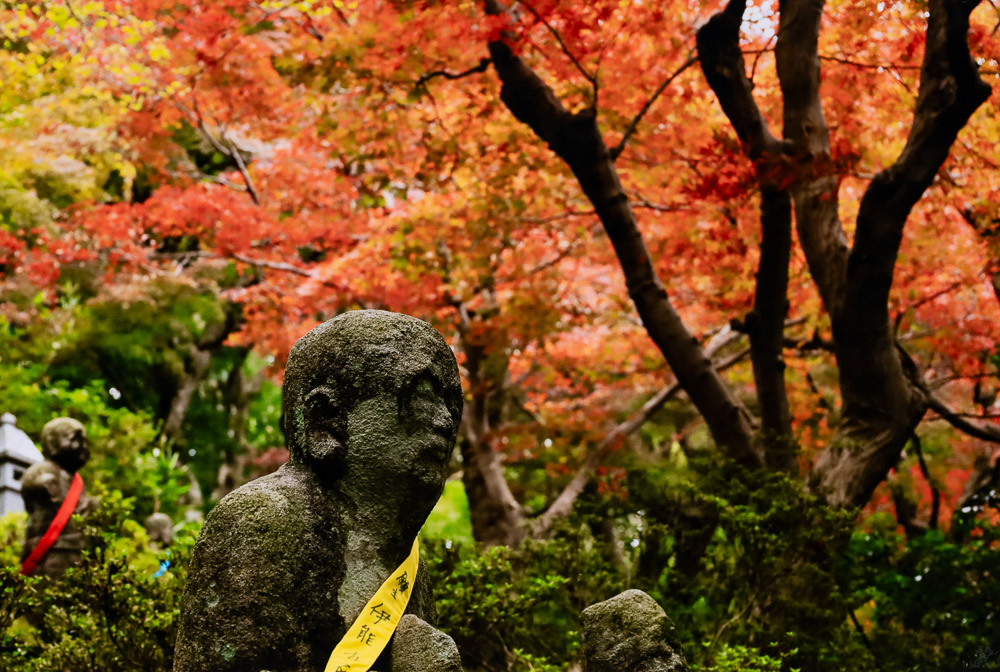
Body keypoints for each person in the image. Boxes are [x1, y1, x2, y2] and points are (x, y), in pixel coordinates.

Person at [173, 310, 463, 672]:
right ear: (327, 422)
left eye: (452, 403)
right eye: (422, 396)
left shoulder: (407, 565)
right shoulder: (265, 523)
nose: (445, 421)